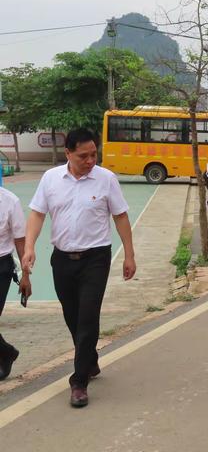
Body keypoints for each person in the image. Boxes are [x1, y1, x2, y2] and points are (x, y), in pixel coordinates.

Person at [23, 128, 136, 408]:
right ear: (68, 154)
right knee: (72, 316)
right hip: (62, 259)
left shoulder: (106, 179)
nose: (90, 160)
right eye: (83, 156)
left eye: (94, 154)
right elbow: (37, 213)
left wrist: (129, 255)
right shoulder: (51, 179)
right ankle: (90, 360)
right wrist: (29, 247)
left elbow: (120, 217)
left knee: (87, 317)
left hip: (96, 258)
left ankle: (79, 382)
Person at [0, 188, 31, 380]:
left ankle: (5, 353)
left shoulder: (10, 201)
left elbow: (21, 242)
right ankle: (6, 352)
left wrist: (26, 276)